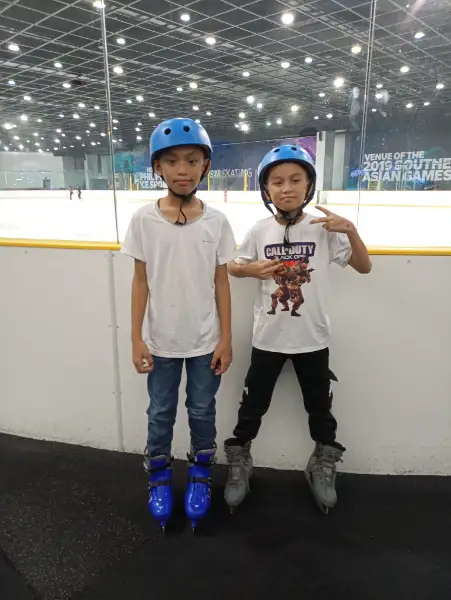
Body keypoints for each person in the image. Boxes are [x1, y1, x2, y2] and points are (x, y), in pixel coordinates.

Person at [223, 144, 372, 515]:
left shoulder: (323, 229)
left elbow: (364, 266)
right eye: (277, 182)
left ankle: (322, 461)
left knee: (320, 408)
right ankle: (240, 458)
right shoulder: (260, 230)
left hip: (313, 339)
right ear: (266, 189)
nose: (286, 188)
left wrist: (351, 231)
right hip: (267, 339)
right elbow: (234, 266)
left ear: (309, 186)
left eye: (295, 180)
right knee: (252, 405)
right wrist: (250, 269)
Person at [121, 118, 236, 531]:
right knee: (160, 412)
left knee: (202, 410)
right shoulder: (143, 220)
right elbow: (140, 282)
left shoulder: (216, 222)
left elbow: (222, 283)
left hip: (205, 341)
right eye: (171, 161)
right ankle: (158, 473)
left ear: (206, 165)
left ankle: (201, 471)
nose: (182, 169)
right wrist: (136, 338)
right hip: (161, 341)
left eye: (191, 160)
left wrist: (226, 338)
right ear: (158, 167)